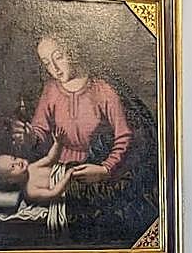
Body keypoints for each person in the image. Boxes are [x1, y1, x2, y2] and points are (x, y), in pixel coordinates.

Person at [11, 33, 133, 186]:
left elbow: (124, 136)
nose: (54, 68)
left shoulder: (103, 89)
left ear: (73, 51)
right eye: (47, 63)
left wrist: (105, 169)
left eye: (59, 57)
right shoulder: (50, 90)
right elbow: (40, 130)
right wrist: (30, 137)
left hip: (95, 168)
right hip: (59, 170)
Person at [0, 137, 74, 203]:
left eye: (14, 158)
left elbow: (50, 159)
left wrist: (57, 143)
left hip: (69, 171)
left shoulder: (31, 167)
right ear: (11, 181)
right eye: (12, 167)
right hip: (69, 188)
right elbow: (54, 193)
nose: (17, 163)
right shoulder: (30, 191)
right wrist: (67, 176)